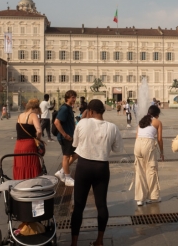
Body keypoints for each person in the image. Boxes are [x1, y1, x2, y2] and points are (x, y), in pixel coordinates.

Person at [70, 100, 124, 246]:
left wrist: (83, 120)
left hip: (84, 165)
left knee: (79, 205)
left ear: (90, 111)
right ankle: (99, 240)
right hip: (101, 167)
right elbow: (118, 148)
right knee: (101, 204)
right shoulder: (112, 127)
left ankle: (74, 242)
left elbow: (75, 144)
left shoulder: (82, 123)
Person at [134, 105, 163, 206]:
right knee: (151, 171)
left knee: (140, 171)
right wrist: (162, 152)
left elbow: (137, 136)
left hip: (137, 144)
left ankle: (140, 199)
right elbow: (159, 139)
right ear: (157, 114)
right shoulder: (157, 122)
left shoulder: (141, 121)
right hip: (148, 144)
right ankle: (152, 196)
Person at [13, 98, 43, 180]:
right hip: (29, 144)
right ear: (35, 108)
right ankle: (32, 183)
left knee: (21, 165)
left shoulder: (20, 116)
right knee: (31, 164)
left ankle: (20, 182)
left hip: (18, 145)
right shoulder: (33, 115)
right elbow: (39, 131)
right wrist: (38, 140)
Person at [54, 90, 78, 187]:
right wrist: (64, 134)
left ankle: (62, 171)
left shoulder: (69, 108)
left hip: (70, 136)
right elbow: (57, 122)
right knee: (66, 156)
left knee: (77, 153)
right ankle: (67, 177)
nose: (74, 99)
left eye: (75, 97)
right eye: (72, 97)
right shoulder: (64, 108)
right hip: (66, 137)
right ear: (67, 98)